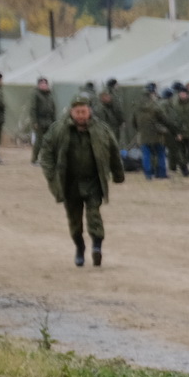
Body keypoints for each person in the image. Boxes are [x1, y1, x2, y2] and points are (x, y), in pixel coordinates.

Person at [38, 91, 125, 267]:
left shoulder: (101, 130)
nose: (80, 116)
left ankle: (97, 247)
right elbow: (46, 154)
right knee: (74, 219)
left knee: (94, 215)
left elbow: (114, 152)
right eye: (77, 112)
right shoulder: (58, 130)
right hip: (70, 183)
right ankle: (79, 247)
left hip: (93, 181)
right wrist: (52, 176)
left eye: (83, 112)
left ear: (89, 111)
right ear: (71, 112)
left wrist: (118, 174)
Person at [135, 88, 171, 180]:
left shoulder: (137, 107)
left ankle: (148, 175)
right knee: (160, 154)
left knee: (146, 155)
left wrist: (140, 129)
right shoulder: (156, 106)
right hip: (156, 135)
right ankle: (162, 174)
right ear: (152, 95)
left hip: (143, 135)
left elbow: (134, 122)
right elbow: (164, 119)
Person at [29, 77, 58, 163]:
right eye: (42, 84)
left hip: (48, 120)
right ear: (38, 85)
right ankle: (34, 159)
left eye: (45, 84)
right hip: (40, 121)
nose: (44, 85)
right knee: (39, 141)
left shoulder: (49, 95)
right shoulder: (36, 94)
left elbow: (53, 109)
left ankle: (44, 159)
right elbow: (33, 109)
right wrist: (34, 122)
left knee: (48, 141)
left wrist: (54, 121)